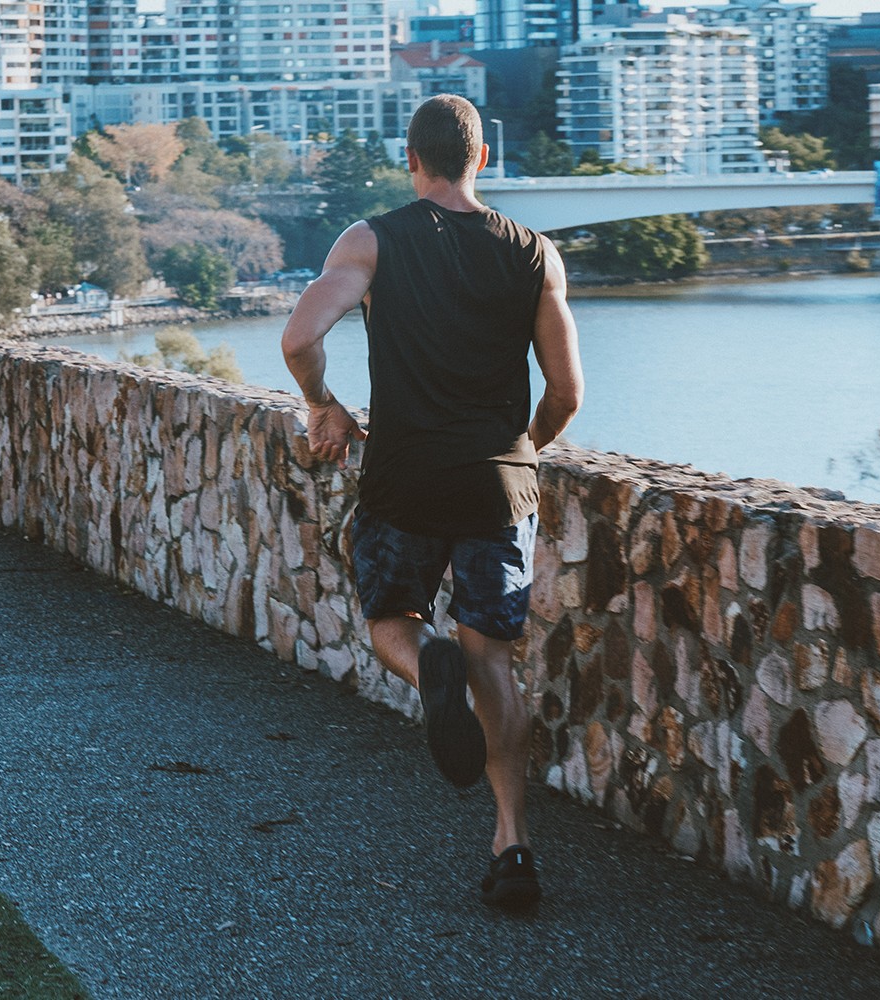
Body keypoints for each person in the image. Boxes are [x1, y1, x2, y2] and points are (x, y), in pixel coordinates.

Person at [281, 94, 583, 910]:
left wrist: (324, 405)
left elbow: (300, 337)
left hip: (404, 477)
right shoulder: (535, 254)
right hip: (496, 484)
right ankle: (512, 843)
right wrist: (522, 451)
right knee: (493, 663)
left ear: (410, 160)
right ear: (482, 159)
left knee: (391, 623)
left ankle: (426, 665)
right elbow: (566, 392)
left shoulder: (371, 240)